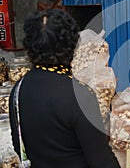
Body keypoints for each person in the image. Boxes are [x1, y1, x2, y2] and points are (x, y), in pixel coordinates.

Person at [9, 9, 120, 168]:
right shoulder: (80, 94)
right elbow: (102, 161)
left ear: (30, 45)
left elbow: (19, 148)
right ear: (72, 44)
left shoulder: (18, 90)